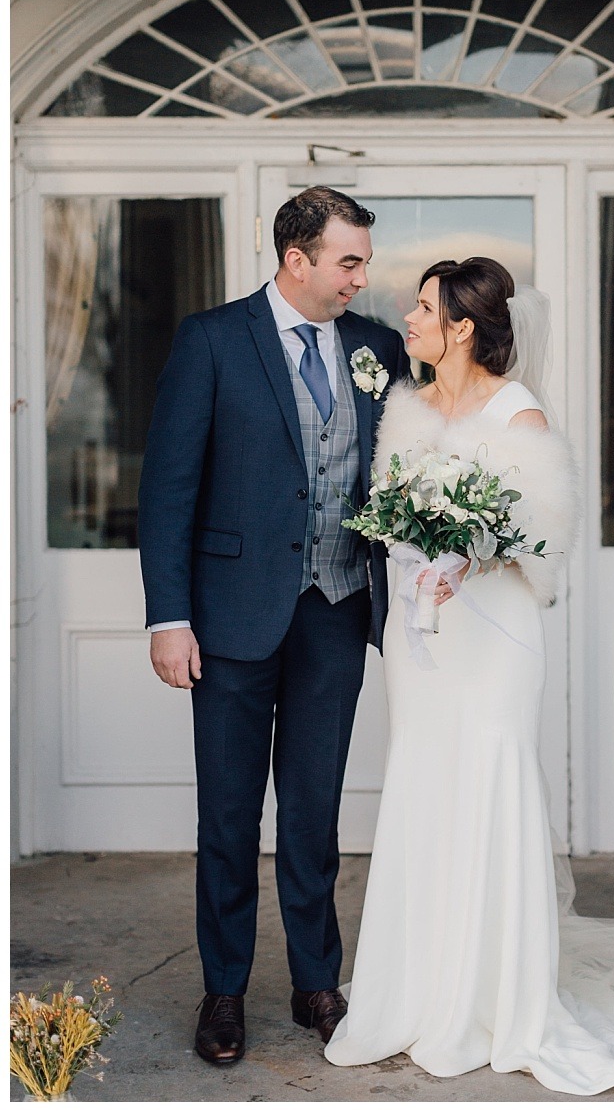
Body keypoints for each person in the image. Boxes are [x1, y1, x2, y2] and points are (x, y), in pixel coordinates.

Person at [325, 257, 614, 1092]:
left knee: (488, 781)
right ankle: (414, 991)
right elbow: (387, 516)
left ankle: (500, 996)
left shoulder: (519, 415)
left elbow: (541, 536)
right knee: (424, 782)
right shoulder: (405, 409)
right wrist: (418, 552)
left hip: (492, 636)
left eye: (420, 309)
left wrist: (466, 553)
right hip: (422, 639)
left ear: (462, 328)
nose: (405, 320)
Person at [138, 186, 409, 1068]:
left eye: (362, 262)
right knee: (227, 815)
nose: (361, 279)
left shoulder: (376, 348)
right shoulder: (212, 340)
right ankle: (223, 991)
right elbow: (168, 489)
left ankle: (316, 982)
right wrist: (169, 617)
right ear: (299, 260)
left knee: (314, 812)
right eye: (349, 262)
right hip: (226, 620)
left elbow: (402, 473)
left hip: (336, 612)